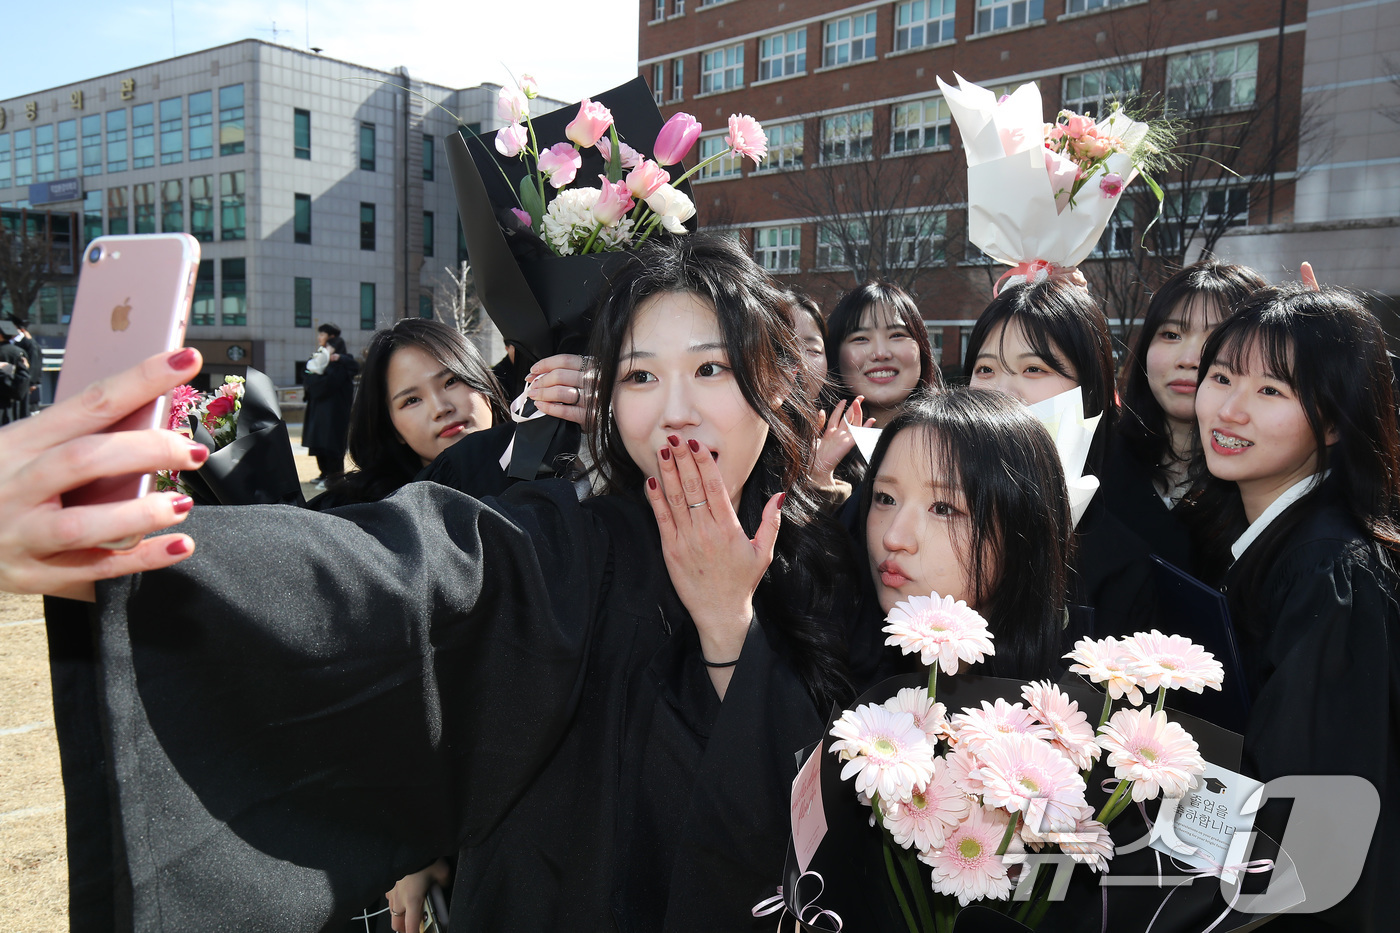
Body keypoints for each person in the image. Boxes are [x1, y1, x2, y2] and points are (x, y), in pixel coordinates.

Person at [0, 233, 857, 932]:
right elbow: (389, 579)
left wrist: (727, 625)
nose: (674, 410)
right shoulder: (565, 538)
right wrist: (118, 549)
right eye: (639, 375)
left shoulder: (836, 552)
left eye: (710, 369)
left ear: (774, 381)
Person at [1189, 283, 1398, 932]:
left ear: (1334, 421)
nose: (1231, 408)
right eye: (1222, 376)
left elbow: (1308, 821)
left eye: (1272, 390)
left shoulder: (1334, 572)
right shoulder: (1242, 533)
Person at [963, 279, 1153, 641]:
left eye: (1033, 369)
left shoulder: (1120, 563)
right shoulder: (924, 504)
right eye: (986, 370)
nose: (1002, 393)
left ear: (1090, 389)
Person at [847, 388, 1072, 685]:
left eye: (943, 508)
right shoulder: (832, 675)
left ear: (1022, 532)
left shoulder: (1068, 715)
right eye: (885, 498)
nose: (893, 537)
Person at [1107, 260, 1266, 572]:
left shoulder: (1267, 482)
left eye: (1216, 337)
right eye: (1170, 334)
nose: (1189, 359)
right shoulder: (1097, 460)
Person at [311, 319, 512, 509]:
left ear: (484, 381)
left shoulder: (540, 474)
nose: (440, 409)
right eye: (411, 400)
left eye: (451, 381)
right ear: (392, 428)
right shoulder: (368, 518)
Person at [302, 322, 359, 488]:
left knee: (331, 442)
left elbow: (325, 384)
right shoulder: (320, 360)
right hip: (319, 409)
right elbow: (308, 378)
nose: (319, 338)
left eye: (322, 335)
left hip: (334, 411)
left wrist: (314, 381)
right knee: (319, 442)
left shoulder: (342, 364)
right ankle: (324, 473)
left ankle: (334, 476)